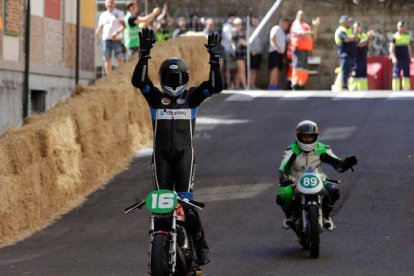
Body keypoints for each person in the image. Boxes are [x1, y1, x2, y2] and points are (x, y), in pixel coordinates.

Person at [131, 28, 223, 265]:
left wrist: (214, 60)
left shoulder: (192, 97)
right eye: (170, 79)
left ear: (186, 79)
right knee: (161, 208)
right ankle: (160, 248)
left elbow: (215, 86)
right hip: (160, 158)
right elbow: (139, 81)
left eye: (178, 78)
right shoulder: (155, 98)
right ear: (162, 80)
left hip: (185, 157)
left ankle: (201, 246)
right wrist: (144, 54)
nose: (174, 83)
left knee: (187, 205)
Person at [275, 120, 358, 231]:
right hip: (295, 179)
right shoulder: (291, 149)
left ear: (316, 136)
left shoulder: (322, 148)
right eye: (305, 137)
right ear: (299, 136)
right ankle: (289, 215)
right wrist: (284, 178)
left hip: (318, 178)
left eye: (310, 137)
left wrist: (345, 164)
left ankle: (326, 217)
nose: (307, 140)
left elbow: (336, 163)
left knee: (334, 191)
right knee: (283, 194)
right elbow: (283, 166)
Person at [290, 10, 320, 90]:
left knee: (304, 68)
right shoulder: (296, 24)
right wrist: (311, 33)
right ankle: (295, 84)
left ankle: (301, 84)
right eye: (300, 15)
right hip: (298, 49)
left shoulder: (306, 26)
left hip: (306, 49)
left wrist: (315, 26)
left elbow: (314, 36)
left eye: (303, 15)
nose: (302, 17)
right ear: (297, 16)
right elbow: (302, 35)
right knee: (298, 67)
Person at [96, 0, 125, 76]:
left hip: (116, 40)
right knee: (107, 59)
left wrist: (117, 33)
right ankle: (110, 78)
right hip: (106, 40)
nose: (109, 4)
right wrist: (97, 33)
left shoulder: (119, 13)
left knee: (120, 59)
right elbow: (100, 27)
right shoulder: (103, 15)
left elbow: (123, 26)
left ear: (114, 3)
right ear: (105, 4)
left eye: (111, 2)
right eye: (108, 2)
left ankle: (122, 75)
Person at [389, 20, 413, 91]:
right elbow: (391, 49)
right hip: (398, 59)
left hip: (405, 59)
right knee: (396, 74)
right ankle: (395, 90)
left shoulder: (406, 36)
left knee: (406, 75)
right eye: (400, 26)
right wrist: (393, 58)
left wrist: (411, 57)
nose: (402, 28)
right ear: (397, 27)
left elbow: (409, 48)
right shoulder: (394, 37)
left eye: (403, 26)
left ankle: (406, 90)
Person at [334, 15, 357, 91]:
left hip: (350, 54)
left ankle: (348, 86)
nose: (349, 23)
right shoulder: (340, 30)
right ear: (343, 22)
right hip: (344, 54)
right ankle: (344, 87)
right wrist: (354, 36)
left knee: (349, 71)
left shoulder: (348, 30)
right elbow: (346, 39)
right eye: (348, 21)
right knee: (345, 70)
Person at [351, 22, 374, 91]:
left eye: (358, 27)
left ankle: (363, 90)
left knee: (363, 75)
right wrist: (368, 37)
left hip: (363, 57)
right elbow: (359, 44)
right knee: (356, 74)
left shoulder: (364, 35)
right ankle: (353, 90)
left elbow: (368, 46)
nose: (357, 29)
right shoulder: (353, 36)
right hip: (356, 58)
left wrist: (370, 38)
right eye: (355, 27)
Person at [268, 17, 289, 90]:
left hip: (279, 53)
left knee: (277, 70)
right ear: (282, 23)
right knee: (274, 69)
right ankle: (271, 85)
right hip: (275, 52)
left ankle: (275, 85)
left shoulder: (282, 32)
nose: (287, 26)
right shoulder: (276, 28)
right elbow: (272, 38)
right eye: (286, 24)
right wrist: (277, 48)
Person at [249, 16, 264, 89]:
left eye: (256, 21)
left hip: (259, 52)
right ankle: (250, 85)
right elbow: (249, 41)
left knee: (256, 69)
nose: (255, 22)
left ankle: (253, 84)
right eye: (253, 21)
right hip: (253, 52)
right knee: (252, 69)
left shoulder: (260, 30)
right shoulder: (250, 30)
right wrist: (252, 50)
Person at [221, 13, 236, 89]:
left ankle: (230, 84)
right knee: (227, 68)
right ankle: (227, 85)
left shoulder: (231, 26)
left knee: (230, 68)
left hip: (231, 50)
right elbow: (229, 38)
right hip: (226, 49)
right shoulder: (227, 26)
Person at [232, 17, 247, 89]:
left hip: (241, 53)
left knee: (239, 70)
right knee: (242, 70)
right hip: (238, 54)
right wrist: (244, 42)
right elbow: (244, 43)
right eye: (238, 24)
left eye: (240, 24)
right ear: (234, 25)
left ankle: (236, 85)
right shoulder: (235, 33)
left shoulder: (240, 33)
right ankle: (245, 86)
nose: (240, 25)